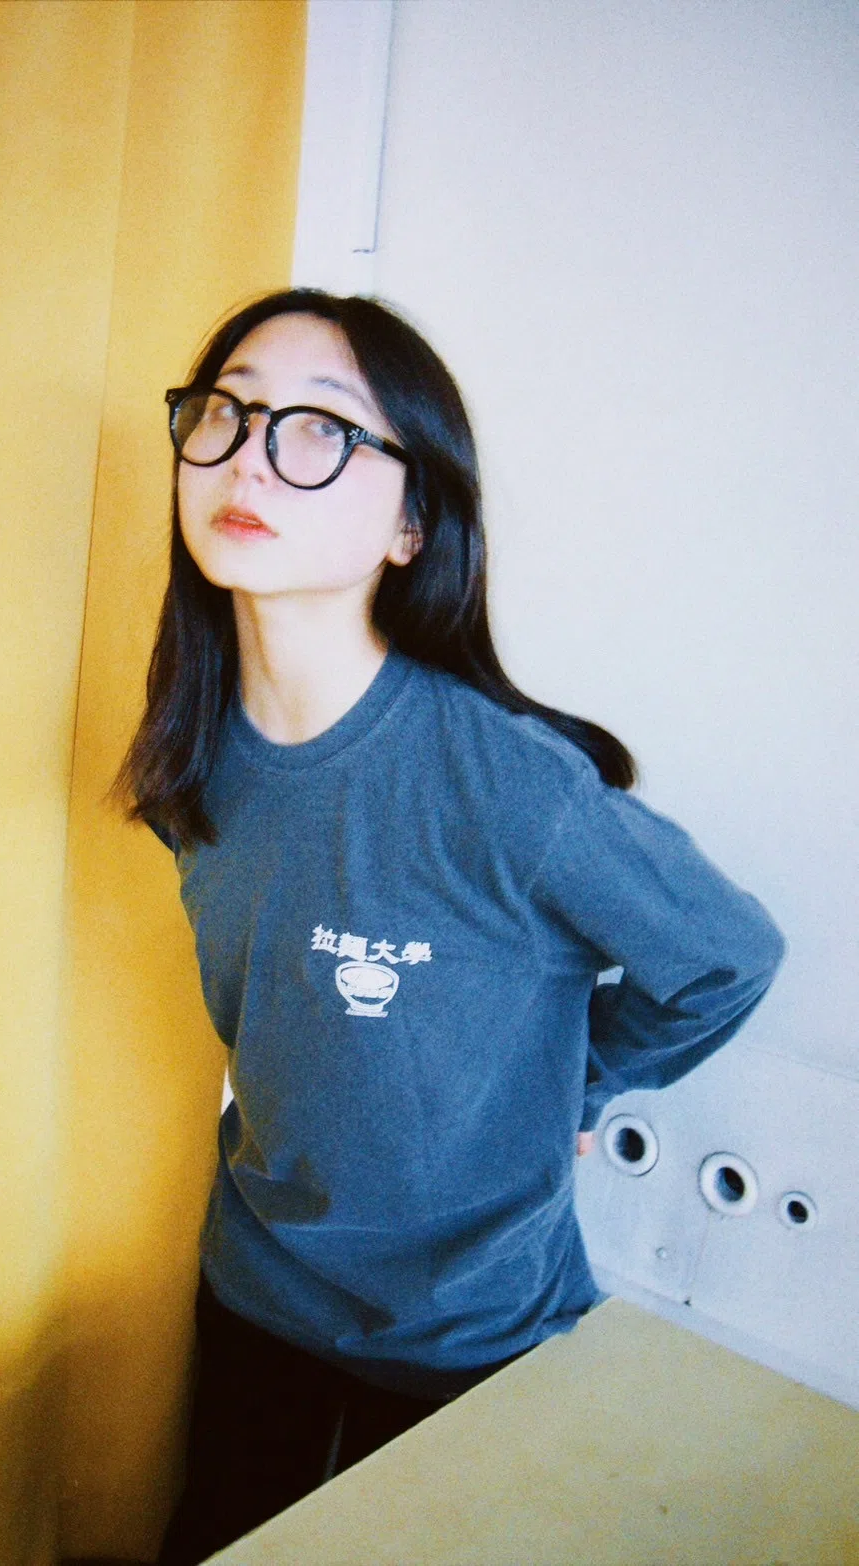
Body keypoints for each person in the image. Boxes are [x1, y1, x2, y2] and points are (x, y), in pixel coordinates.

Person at [114, 288, 785, 1565]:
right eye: (227, 413)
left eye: (321, 430)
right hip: (258, 1288)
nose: (251, 457)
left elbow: (727, 958)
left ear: (412, 522)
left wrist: (583, 1078)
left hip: (469, 1336)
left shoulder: (508, 784)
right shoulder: (193, 761)